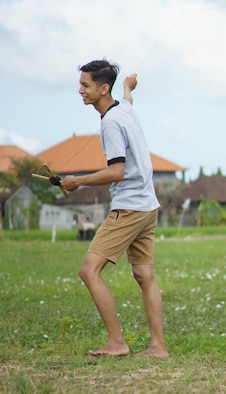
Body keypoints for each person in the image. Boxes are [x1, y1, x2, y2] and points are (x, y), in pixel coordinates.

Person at [61, 59, 168, 358]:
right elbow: (129, 99)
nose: (80, 90)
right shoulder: (124, 107)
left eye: (86, 85)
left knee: (88, 270)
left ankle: (117, 342)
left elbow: (116, 172)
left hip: (129, 207)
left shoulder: (110, 122)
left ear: (102, 88)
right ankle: (158, 347)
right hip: (148, 206)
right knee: (144, 275)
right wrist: (127, 87)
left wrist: (77, 182)